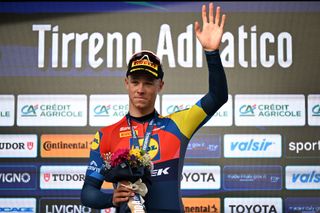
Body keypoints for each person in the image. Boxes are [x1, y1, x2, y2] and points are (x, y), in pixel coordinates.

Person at [81, 2, 227, 212]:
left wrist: (211, 53)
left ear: (160, 86)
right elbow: (88, 192)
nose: (141, 89)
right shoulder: (106, 135)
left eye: (148, 83)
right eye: (135, 82)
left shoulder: (178, 125)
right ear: (126, 83)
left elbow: (217, 96)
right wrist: (111, 198)